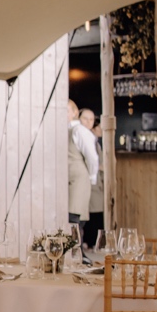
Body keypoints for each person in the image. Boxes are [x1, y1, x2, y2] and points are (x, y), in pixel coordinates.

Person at [67, 99, 98, 235]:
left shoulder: (79, 130)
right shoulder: (67, 129)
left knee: (75, 218)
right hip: (68, 179)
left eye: (65, 110)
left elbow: (92, 157)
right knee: (68, 219)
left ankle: (77, 253)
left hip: (78, 178)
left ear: (75, 112)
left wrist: (92, 177)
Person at [81, 107, 105, 247]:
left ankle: (93, 241)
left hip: (97, 180)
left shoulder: (95, 141)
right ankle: (90, 242)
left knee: (96, 210)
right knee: (93, 211)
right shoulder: (87, 138)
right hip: (92, 180)